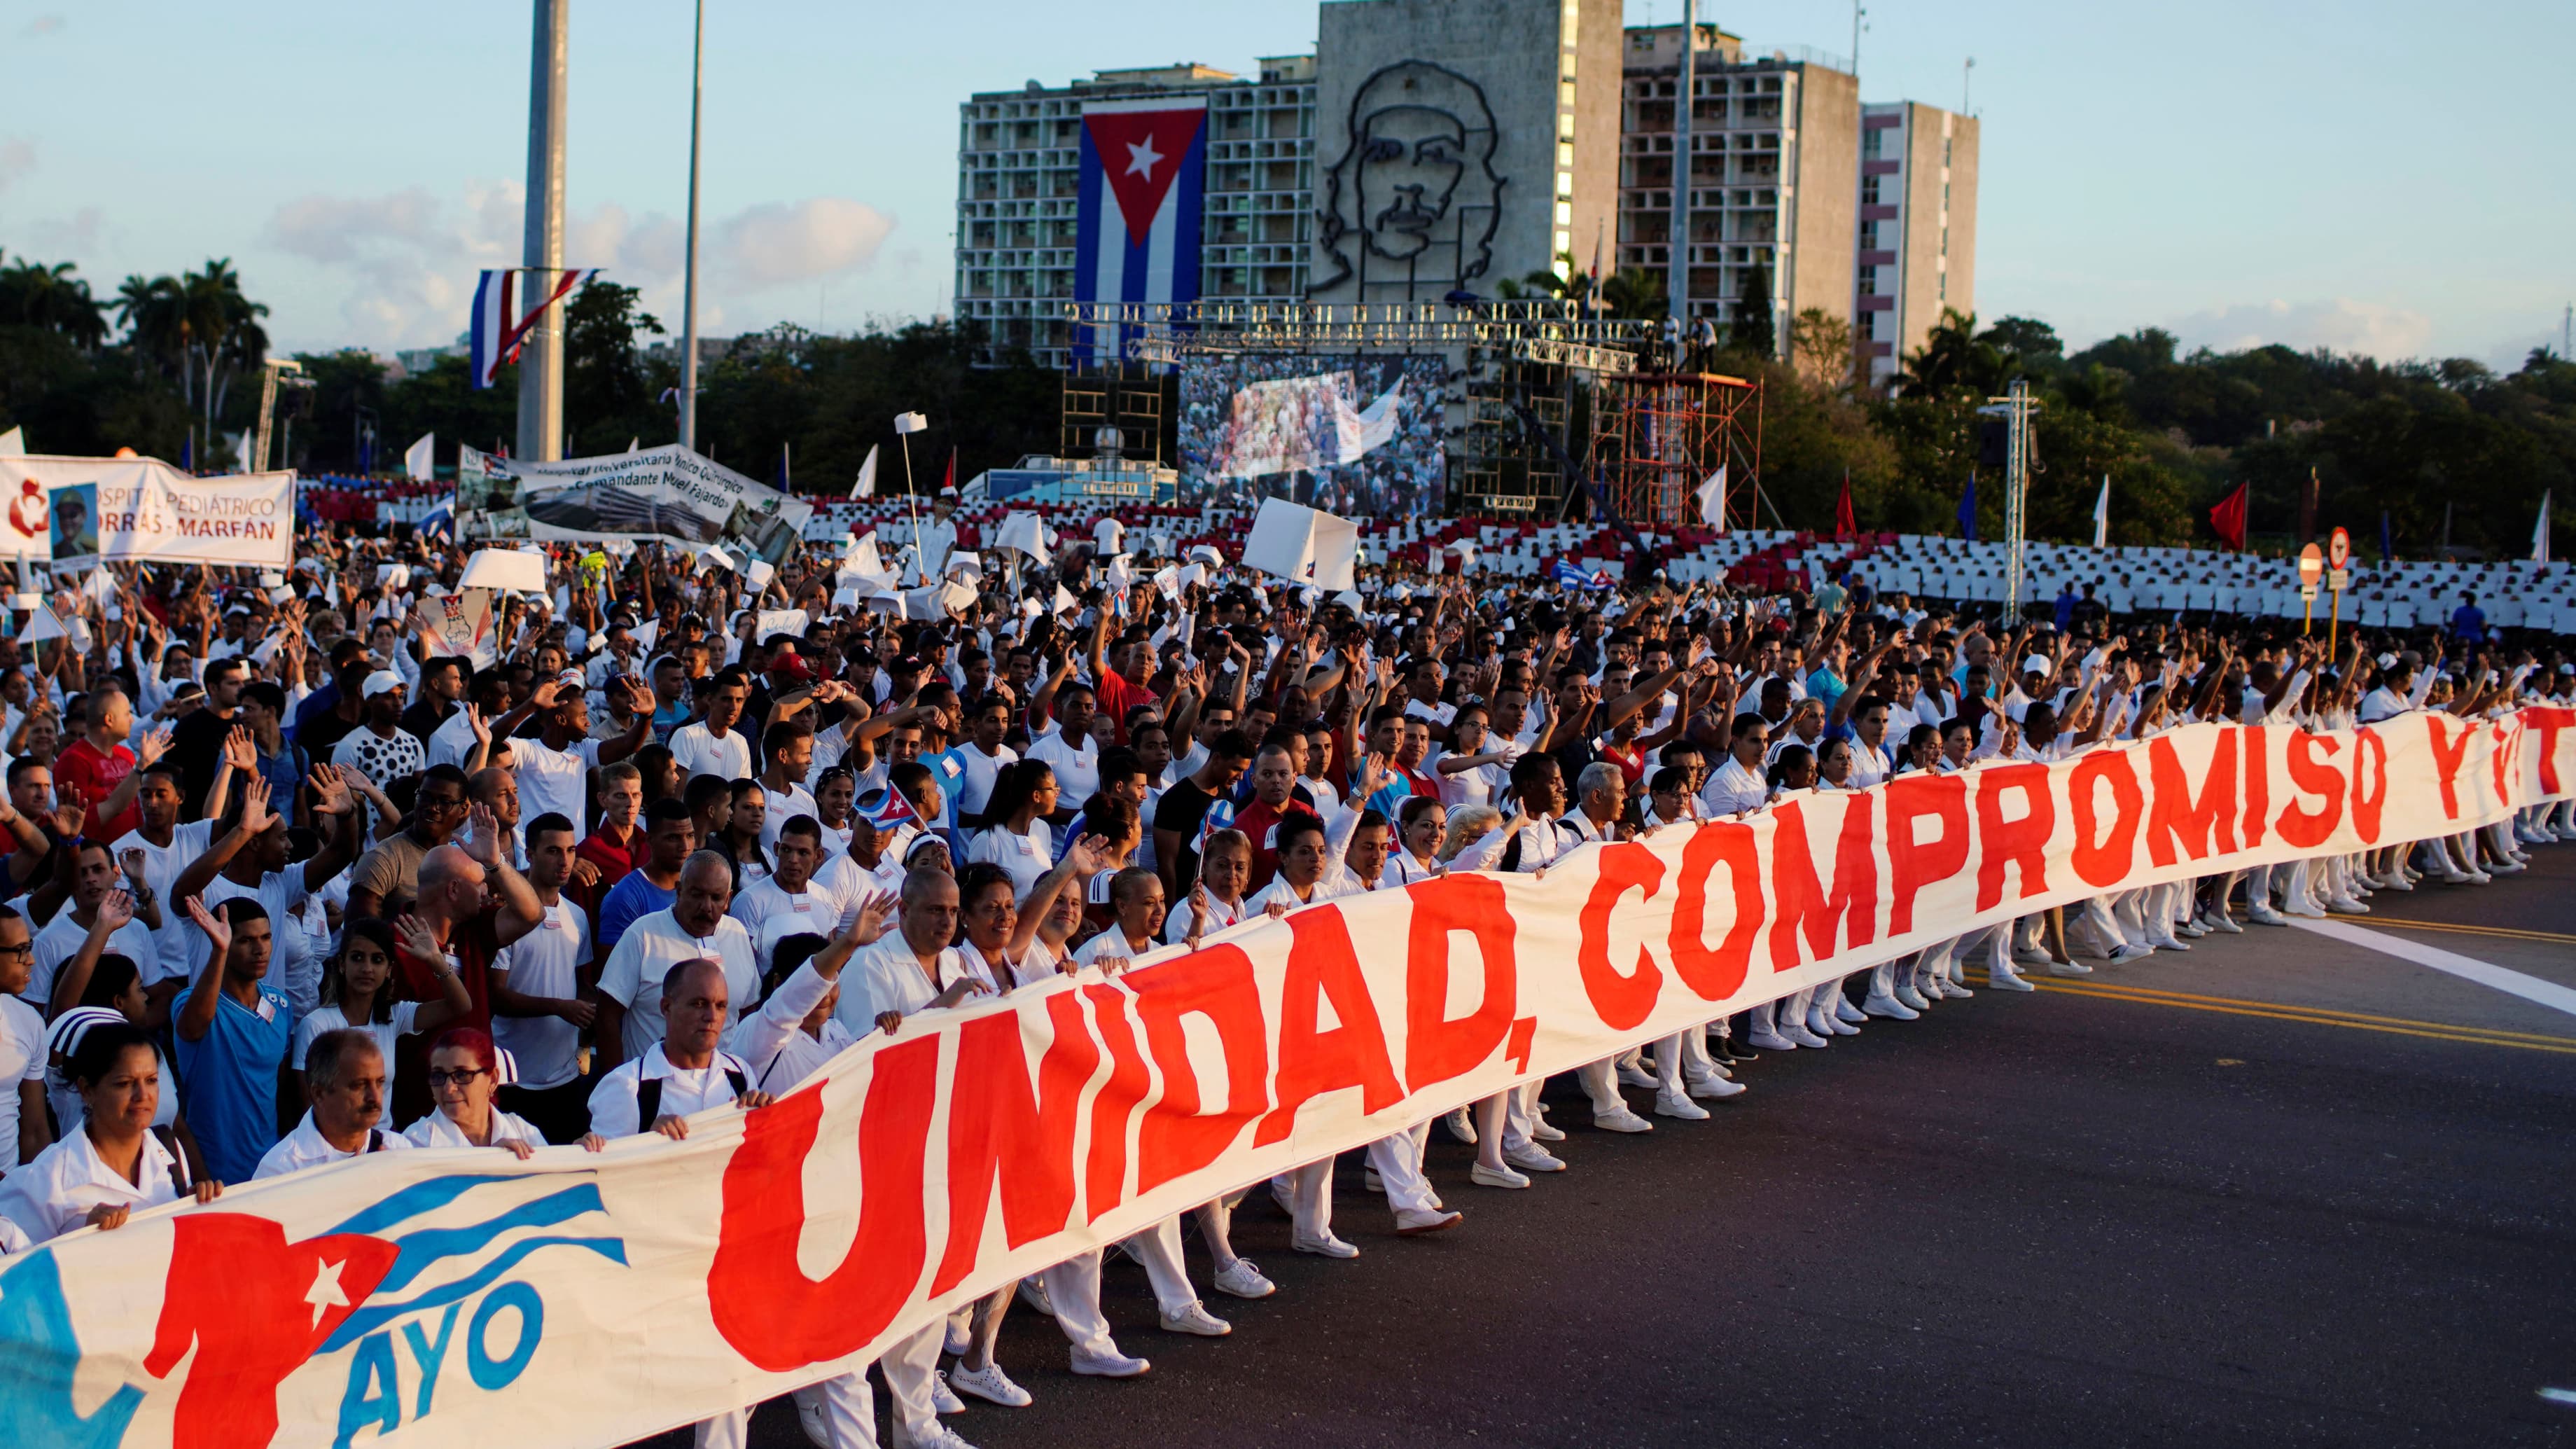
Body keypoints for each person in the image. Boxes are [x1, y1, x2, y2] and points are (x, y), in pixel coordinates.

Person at [586, 957, 784, 1449]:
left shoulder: (740, 1074)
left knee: (731, 1383)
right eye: (698, 1004)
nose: (710, 1016)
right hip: (658, 1263)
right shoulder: (626, 1087)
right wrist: (642, 1144)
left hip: (728, 1255)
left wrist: (763, 1122)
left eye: (719, 1005)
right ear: (666, 1007)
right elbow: (597, 1182)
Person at [0, 1020, 223, 1242]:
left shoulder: (168, 1150)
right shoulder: (44, 1179)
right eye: (125, 1083)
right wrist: (80, 1241)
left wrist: (195, 1208)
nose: (143, 1095)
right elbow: (18, 1269)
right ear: (87, 1090)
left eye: (151, 1080)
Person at [595, 851, 760, 1074]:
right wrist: (615, 1086)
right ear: (679, 891)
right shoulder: (642, 934)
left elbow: (748, 1011)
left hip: (721, 1093)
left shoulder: (737, 933)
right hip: (654, 1092)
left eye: (716, 897)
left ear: (728, 899)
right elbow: (608, 1015)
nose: (706, 907)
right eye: (697, 895)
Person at [488, 812, 597, 1142]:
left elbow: (582, 986)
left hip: (566, 1078)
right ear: (530, 854)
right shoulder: (504, 917)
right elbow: (497, 996)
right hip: (513, 1080)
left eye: (570, 851)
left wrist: (588, 1023)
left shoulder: (577, 916)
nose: (564, 861)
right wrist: (559, 1007)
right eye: (553, 851)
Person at [170, 896, 293, 1183]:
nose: (260, 949)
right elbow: (192, 1028)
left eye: (266, 938)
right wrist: (219, 950)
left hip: (271, 1167)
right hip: (214, 1174)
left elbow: (281, 1086)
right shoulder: (189, 1001)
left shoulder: (281, 1005)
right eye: (246, 941)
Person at [293, 917, 470, 1109]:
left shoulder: (394, 1014)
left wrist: (435, 960)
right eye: (357, 957)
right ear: (342, 964)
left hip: (384, 1137)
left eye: (377, 960)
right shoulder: (316, 1025)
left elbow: (460, 1006)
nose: (367, 968)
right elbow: (309, 1107)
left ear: (389, 970)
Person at [407, 1027, 604, 1154]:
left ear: (492, 1080)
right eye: (438, 1076)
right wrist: (492, 1166)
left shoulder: (522, 1130)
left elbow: (550, 1189)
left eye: (462, 1075)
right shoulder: (415, 1143)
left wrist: (577, 1156)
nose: (449, 1088)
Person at [256, 1028, 410, 1177]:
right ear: (319, 1094)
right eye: (359, 1085)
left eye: (379, 1083)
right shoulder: (279, 1169)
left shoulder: (400, 1150)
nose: (375, 1097)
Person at [599, 797, 698, 957]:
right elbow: (614, 971)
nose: (685, 847)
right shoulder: (625, 897)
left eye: (690, 836)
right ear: (650, 840)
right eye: (673, 838)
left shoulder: (700, 888)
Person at [0, 905, 47, 1170]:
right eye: (20, 951)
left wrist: (36, 1195)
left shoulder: (29, 1022)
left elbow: (36, 1130)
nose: (31, 960)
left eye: (29, 948)